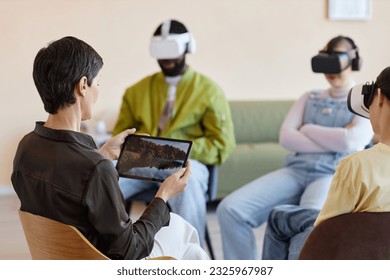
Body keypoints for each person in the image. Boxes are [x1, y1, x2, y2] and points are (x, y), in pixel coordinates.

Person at [11, 36, 209, 260]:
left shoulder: (26, 147)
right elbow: (128, 252)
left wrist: (102, 154)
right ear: (83, 86)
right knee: (182, 230)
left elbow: (70, 184)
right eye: (98, 82)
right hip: (103, 262)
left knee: (191, 251)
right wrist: (163, 195)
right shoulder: (96, 168)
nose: (98, 91)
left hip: (61, 258)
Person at [216, 35, 373, 260]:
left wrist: (307, 128)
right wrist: (335, 136)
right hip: (295, 171)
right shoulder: (309, 97)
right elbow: (286, 138)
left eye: (337, 60)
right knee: (230, 209)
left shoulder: (363, 100)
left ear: (354, 62)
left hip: (333, 174)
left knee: (308, 221)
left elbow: (352, 141)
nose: (331, 70)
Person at [113, 19, 236, 246]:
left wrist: (175, 150)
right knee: (104, 176)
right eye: (162, 54)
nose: (167, 61)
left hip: (187, 163)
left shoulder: (209, 91)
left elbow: (221, 144)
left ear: (188, 48)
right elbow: (120, 135)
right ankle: (104, 249)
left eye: (172, 53)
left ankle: (191, 257)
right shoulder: (135, 92)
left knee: (185, 183)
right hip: (142, 162)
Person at [262, 66, 390, 260]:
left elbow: (326, 235)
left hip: (352, 256)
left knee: (280, 218)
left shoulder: (356, 165)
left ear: (379, 97)